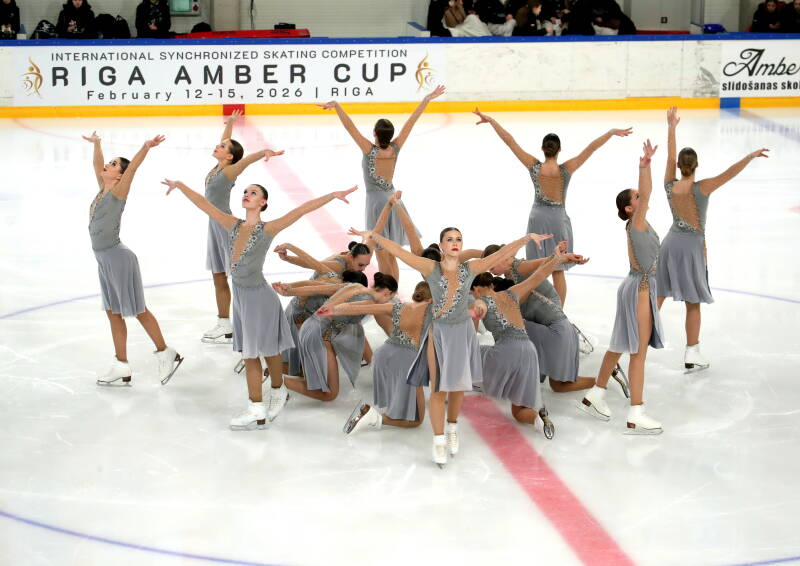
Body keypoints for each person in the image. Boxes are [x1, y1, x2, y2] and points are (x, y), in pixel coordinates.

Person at [161, 175, 358, 430]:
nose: (246, 194)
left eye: (253, 193)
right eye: (245, 191)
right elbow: (205, 205)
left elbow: (301, 210)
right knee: (264, 351)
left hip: (259, 299)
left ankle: (258, 407)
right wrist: (181, 185)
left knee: (256, 353)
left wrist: (332, 195)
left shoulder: (267, 229)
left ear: (263, 202)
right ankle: (277, 391)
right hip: (241, 299)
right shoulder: (232, 224)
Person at [354, 225, 551, 467]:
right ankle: (438, 440)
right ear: (442, 245)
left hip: (462, 332)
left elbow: (499, 255)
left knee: (458, 387)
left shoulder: (470, 269)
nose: (455, 243)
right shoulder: (431, 268)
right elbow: (400, 252)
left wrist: (526, 238)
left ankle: (452, 427)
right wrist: (375, 236)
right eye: (450, 239)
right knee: (439, 388)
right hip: (439, 333)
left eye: (458, 239)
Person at [474, 107, 631, 305]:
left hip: (537, 217)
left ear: (542, 149)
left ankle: (533, 307)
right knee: (558, 269)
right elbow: (590, 149)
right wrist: (611, 132)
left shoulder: (534, 166)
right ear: (559, 150)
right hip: (557, 219)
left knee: (535, 268)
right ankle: (558, 311)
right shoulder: (566, 169)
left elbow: (510, 142)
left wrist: (492, 121)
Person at [657, 107, 769, 371]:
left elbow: (670, 156)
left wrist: (671, 128)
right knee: (692, 302)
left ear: (679, 167)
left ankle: (637, 338)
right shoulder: (703, 187)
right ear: (696, 166)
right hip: (692, 248)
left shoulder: (669, 185)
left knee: (658, 295)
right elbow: (729, 173)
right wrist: (749, 156)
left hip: (670, 243)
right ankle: (692, 352)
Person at [82, 132, 183, 387]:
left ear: (120, 176)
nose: (108, 165)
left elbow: (134, 168)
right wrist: (97, 144)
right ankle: (121, 364)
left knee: (137, 309)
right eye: (111, 162)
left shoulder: (118, 192)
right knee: (113, 312)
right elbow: (97, 164)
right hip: (104, 260)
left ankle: (165, 352)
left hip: (118, 258)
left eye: (114, 164)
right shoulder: (103, 189)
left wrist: (145, 147)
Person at [579, 140, 664, 434]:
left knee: (619, 344)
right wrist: (644, 166)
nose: (643, 198)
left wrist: (645, 168)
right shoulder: (636, 223)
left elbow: (647, 194)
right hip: (639, 289)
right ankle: (636, 412)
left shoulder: (638, 222)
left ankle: (596, 393)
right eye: (637, 197)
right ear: (630, 208)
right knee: (638, 353)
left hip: (634, 285)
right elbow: (648, 192)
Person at [318, 86, 445, 246]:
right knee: (392, 247)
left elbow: (350, 127)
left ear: (374, 133)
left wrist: (337, 106)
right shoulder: (395, 148)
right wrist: (426, 99)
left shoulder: (368, 149)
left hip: (376, 203)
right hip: (393, 199)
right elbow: (411, 122)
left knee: (379, 247)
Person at [200, 110, 286, 346]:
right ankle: (224, 324)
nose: (218, 146)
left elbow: (244, 161)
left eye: (222, 147)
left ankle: (244, 324)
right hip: (214, 226)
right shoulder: (219, 167)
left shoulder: (229, 171)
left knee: (235, 276)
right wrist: (229, 123)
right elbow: (227, 144)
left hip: (225, 227)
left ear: (229, 156)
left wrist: (262, 152)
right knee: (218, 275)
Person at [470, 248, 572, 439]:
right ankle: (538, 418)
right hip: (529, 353)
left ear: (475, 289)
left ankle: (453, 389)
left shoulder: (480, 302)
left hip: (508, 351)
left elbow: (475, 319)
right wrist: (558, 258)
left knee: (470, 354)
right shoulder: (512, 293)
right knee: (518, 411)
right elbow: (539, 275)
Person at [274, 275, 398, 402]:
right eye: (390, 298)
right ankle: (276, 380)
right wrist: (334, 310)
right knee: (329, 394)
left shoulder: (355, 286)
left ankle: (276, 378)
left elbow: (317, 288)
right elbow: (351, 308)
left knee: (317, 379)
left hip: (310, 328)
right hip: (318, 334)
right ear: (387, 293)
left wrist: (288, 291)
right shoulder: (369, 302)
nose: (387, 301)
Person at [332, 282, 435, 434]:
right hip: (406, 361)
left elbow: (366, 307)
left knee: (400, 408)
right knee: (416, 420)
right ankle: (373, 418)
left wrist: (333, 308)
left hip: (383, 356)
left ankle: (372, 413)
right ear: (432, 299)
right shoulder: (432, 313)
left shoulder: (398, 306)